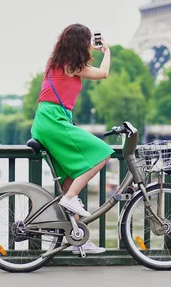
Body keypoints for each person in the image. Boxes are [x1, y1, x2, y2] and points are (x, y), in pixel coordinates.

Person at [30, 23, 112, 254]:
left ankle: (78, 240)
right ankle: (72, 197)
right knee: (103, 152)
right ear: (80, 44)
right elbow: (103, 73)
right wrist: (107, 52)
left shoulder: (55, 63)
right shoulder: (72, 66)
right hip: (55, 120)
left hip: (45, 121)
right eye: (86, 42)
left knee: (68, 180)